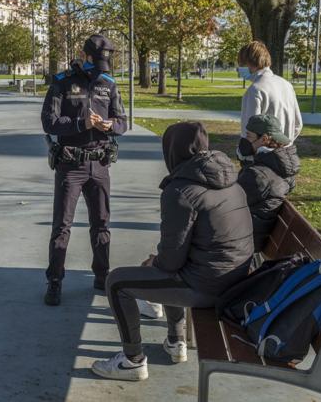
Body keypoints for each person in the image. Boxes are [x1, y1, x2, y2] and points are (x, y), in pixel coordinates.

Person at [91, 122, 253, 381]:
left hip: (208, 288)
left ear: (172, 151)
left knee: (116, 282)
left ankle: (132, 361)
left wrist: (155, 260)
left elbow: (169, 262)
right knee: (163, 269)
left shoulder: (180, 190)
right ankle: (176, 341)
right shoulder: (229, 179)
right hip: (235, 278)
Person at [41, 34, 127, 306]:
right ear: (87, 56)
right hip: (71, 165)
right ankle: (54, 281)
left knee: (102, 224)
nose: (102, 67)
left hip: (100, 164)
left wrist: (109, 126)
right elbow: (49, 121)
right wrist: (81, 123)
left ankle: (102, 275)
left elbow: (123, 122)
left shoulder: (108, 84)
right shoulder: (62, 82)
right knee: (62, 226)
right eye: (98, 61)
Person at [238, 114, 300, 252]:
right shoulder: (281, 168)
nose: (245, 141)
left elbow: (229, 202)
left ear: (264, 139)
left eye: (249, 137)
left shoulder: (258, 176)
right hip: (255, 237)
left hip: (244, 243)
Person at [237, 41, 302, 162]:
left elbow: (249, 133)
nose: (239, 69)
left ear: (251, 62)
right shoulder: (286, 85)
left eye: (241, 64)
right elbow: (298, 124)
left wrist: (246, 153)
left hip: (262, 161)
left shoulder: (255, 90)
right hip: (286, 157)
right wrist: (285, 144)